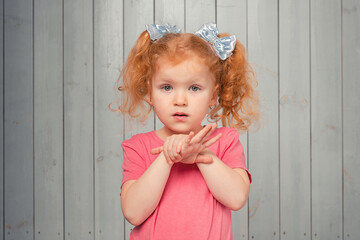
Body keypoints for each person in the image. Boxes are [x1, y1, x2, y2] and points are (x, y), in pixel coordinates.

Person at [111, 23, 259, 240]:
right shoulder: (138, 147)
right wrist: (166, 158)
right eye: (167, 87)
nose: (180, 101)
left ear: (212, 96)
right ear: (150, 93)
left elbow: (237, 198)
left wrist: (200, 155)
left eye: (194, 88)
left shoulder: (224, 141)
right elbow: (133, 213)